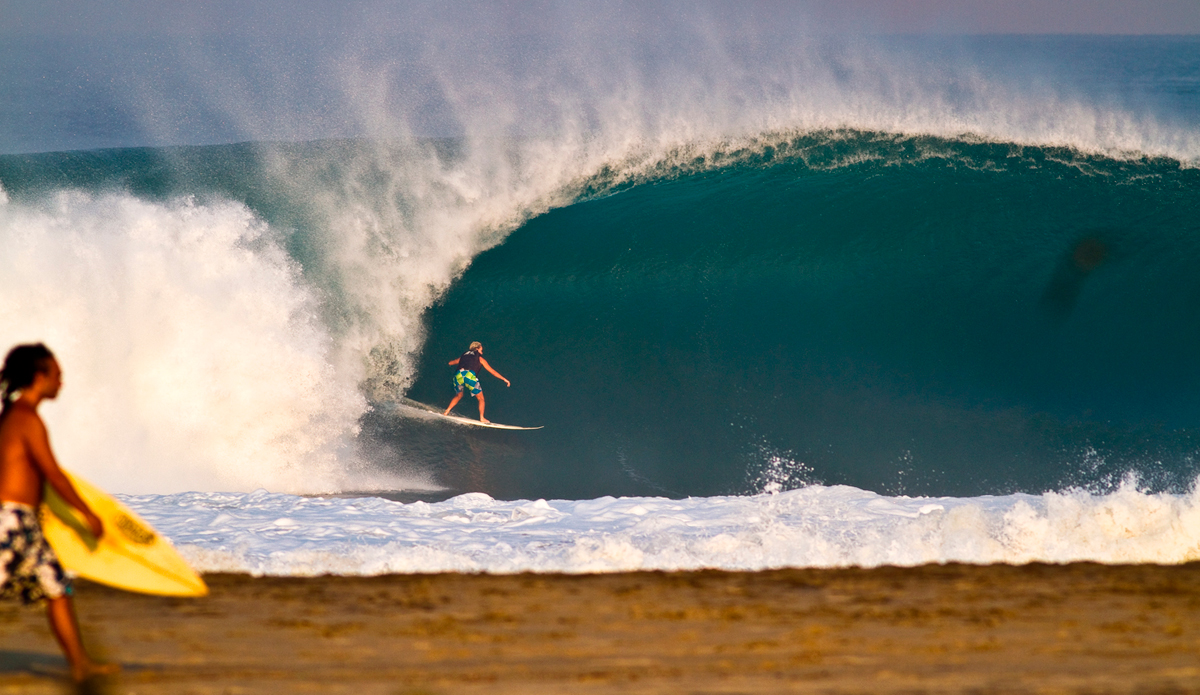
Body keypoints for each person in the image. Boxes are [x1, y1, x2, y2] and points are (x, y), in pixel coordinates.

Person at [0, 344, 118, 683]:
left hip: (24, 524)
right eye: (57, 375)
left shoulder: (13, 416)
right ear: (40, 378)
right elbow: (54, 474)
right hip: (9, 522)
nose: (61, 383)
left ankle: (80, 664)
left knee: (58, 587)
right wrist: (87, 514)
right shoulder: (26, 419)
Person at [443, 341, 510, 423]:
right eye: (481, 349)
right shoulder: (480, 359)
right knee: (481, 398)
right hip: (469, 376)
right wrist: (504, 379)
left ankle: (446, 412)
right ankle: (482, 418)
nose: (482, 351)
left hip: (458, 376)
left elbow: (451, 362)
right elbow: (492, 371)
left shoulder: (463, 356)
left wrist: (448, 363)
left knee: (459, 395)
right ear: (477, 348)